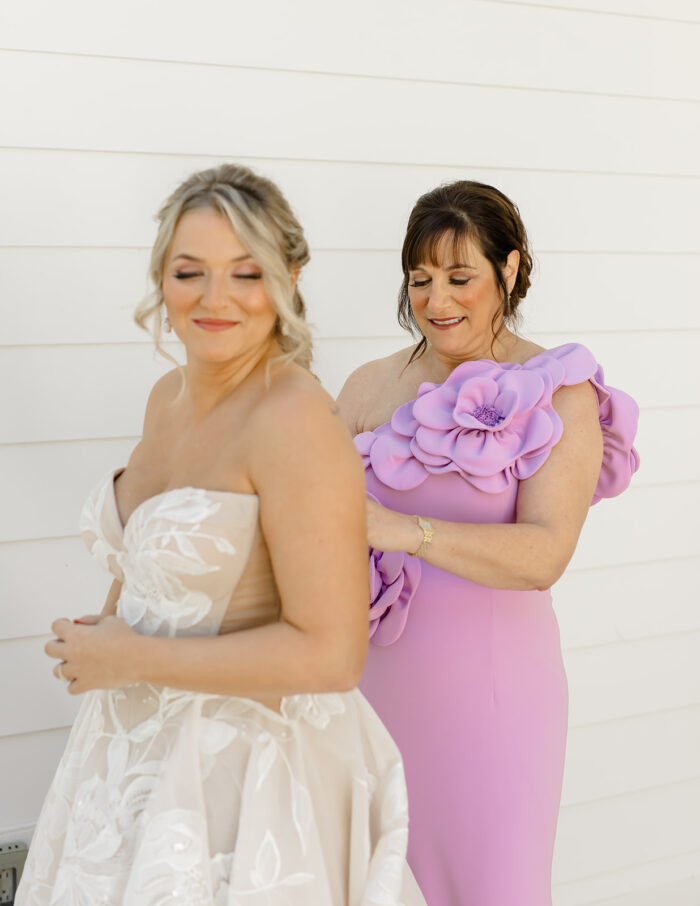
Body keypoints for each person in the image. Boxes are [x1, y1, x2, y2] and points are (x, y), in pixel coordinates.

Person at [17, 164, 426, 906]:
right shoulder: (166, 397)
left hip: (241, 785)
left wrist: (131, 655)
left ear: (290, 277)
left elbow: (332, 654)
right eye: (189, 272)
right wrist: (107, 628)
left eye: (246, 273)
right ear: (160, 278)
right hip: (127, 760)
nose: (215, 299)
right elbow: (145, 543)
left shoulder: (295, 422)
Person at [338, 180, 640, 906]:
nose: (437, 301)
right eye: (421, 279)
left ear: (508, 272)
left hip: (497, 698)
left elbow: (545, 555)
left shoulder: (556, 391)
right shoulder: (368, 386)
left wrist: (404, 531)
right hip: (377, 691)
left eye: (460, 277)